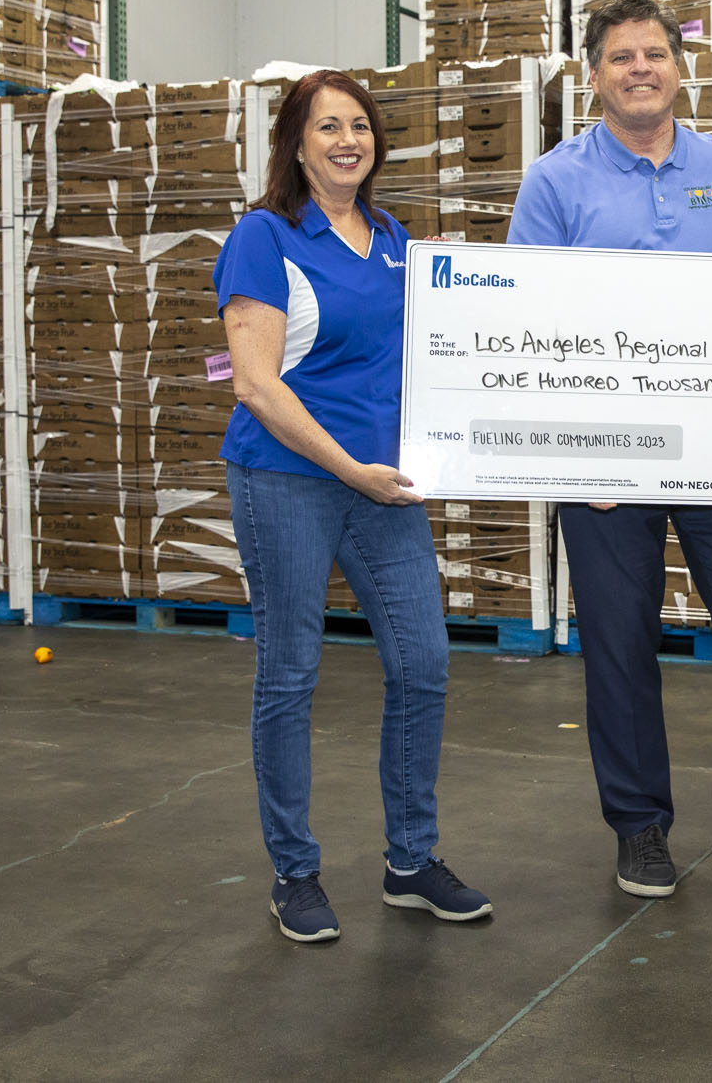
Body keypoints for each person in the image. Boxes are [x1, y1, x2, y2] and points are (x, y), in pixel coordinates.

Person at [507, 0, 712, 898]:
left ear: (681, 68)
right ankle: (640, 825)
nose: (640, 68)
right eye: (621, 57)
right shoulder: (555, 182)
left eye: (655, 53)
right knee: (618, 640)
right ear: (593, 74)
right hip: (604, 455)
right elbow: (517, 325)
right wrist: (573, 455)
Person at [215, 69, 491, 941]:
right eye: (327, 125)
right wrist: (351, 467)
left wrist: (452, 279)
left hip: (382, 486)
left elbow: (422, 344)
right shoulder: (264, 237)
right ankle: (294, 872)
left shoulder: (394, 238)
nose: (347, 140)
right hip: (289, 478)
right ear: (296, 142)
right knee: (290, 673)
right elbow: (258, 385)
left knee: (423, 663)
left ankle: (410, 859)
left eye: (361, 126)